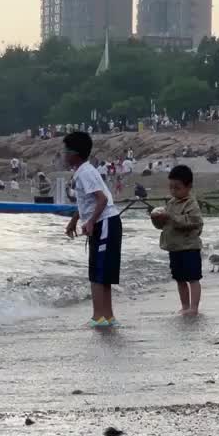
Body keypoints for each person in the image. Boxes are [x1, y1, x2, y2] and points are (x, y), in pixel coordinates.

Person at [62, 131, 122, 327]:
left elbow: (102, 200)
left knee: (98, 273)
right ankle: (107, 316)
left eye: (66, 151)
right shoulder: (84, 171)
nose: (63, 155)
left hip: (105, 223)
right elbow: (86, 202)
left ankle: (99, 317)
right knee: (102, 272)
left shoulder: (86, 173)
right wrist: (74, 221)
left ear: (75, 154)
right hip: (106, 223)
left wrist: (90, 222)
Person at [150, 165, 203, 316]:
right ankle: (185, 306)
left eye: (177, 188)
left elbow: (193, 221)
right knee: (179, 279)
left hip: (189, 247)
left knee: (193, 278)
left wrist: (171, 217)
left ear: (189, 186)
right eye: (171, 187)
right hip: (174, 248)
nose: (173, 191)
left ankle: (194, 307)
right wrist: (156, 219)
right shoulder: (171, 203)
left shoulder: (191, 203)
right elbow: (163, 226)